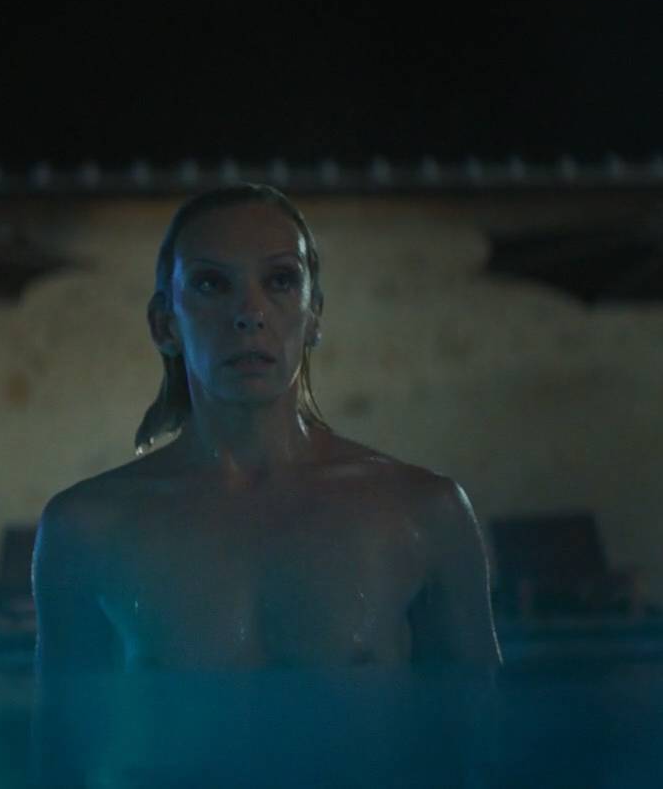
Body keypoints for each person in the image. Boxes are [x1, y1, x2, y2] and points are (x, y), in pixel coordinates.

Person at [31, 183, 503, 673]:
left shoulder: (424, 513)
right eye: (211, 284)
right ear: (164, 324)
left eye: (280, 280)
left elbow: (480, 722)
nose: (250, 314)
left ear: (314, 315)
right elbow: (64, 723)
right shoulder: (86, 529)